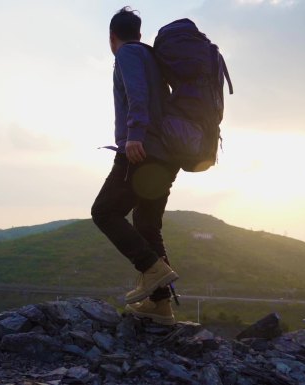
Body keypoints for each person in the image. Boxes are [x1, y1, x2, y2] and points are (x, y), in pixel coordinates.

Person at [91, 7, 181, 325]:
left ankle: (152, 269)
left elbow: (137, 95)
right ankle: (160, 307)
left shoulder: (127, 54)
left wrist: (134, 135)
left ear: (112, 37)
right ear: (140, 35)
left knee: (103, 212)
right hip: (168, 157)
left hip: (141, 152)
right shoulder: (153, 58)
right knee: (146, 225)